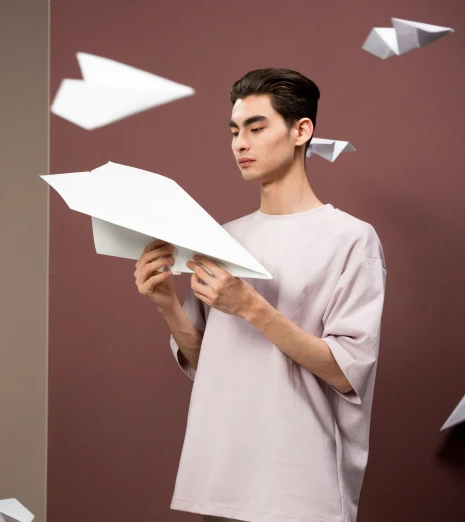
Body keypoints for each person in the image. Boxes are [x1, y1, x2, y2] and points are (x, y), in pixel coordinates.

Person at [133, 68, 386, 522]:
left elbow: (348, 373)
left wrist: (250, 306)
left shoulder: (351, 238)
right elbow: (213, 363)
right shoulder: (221, 240)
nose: (240, 144)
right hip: (221, 472)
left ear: (300, 131)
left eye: (256, 127)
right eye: (234, 131)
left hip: (299, 478)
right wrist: (167, 304)